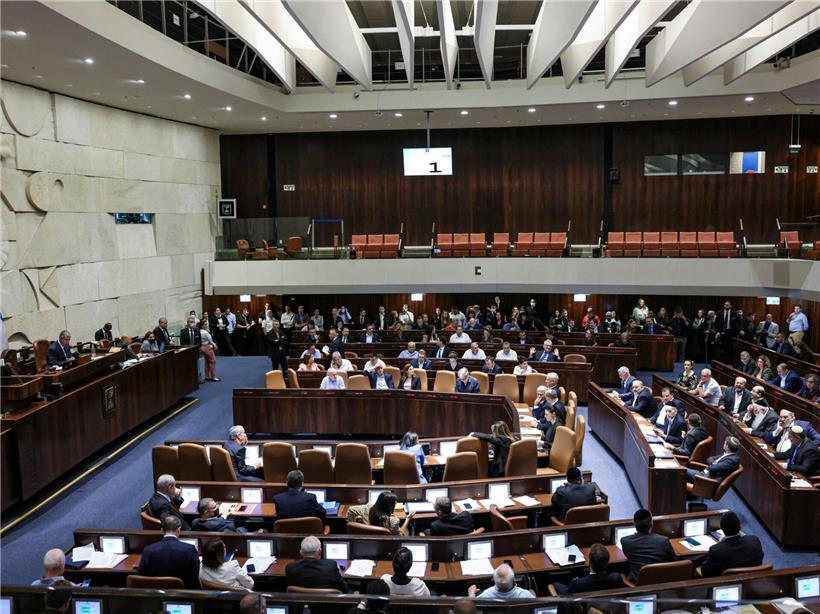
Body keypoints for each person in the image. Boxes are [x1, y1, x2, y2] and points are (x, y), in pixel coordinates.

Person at [136, 515, 200, 588]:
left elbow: (140, 575)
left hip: (156, 594)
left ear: (162, 530)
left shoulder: (148, 550)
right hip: (183, 595)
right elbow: (195, 577)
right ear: (179, 530)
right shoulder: (190, 549)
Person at [698, 511, 764, 577]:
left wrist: (721, 544)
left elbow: (705, 572)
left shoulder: (717, 550)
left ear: (722, 529)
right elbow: (759, 560)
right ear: (740, 527)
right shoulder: (754, 540)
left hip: (725, 584)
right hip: (751, 583)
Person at [620, 509, 676, 582]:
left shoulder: (625, 541)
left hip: (638, 582)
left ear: (634, 523)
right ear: (651, 523)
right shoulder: (663, 540)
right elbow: (674, 560)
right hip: (661, 580)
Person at [285, 535, 349, 592]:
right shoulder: (331, 566)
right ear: (320, 552)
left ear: (301, 552)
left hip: (299, 603)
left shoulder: (290, 567)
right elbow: (345, 590)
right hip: (328, 603)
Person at [554, 543, 624, 594]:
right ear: (607, 564)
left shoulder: (578, 584)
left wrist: (573, 583)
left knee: (554, 582)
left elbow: (568, 596)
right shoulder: (616, 578)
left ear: (589, 562)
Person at [347, 491, 414, 535]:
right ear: (389, 505)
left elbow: (350, 510)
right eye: (395, 502)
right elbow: (400, 536)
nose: (396, 503)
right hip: (384, 546)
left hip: (366, 540)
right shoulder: (393, 521)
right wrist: (407, 519)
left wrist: (354, 526)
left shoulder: (366, 509)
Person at [468, 564, 535, 599]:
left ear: (493, 580)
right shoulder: (525, 595)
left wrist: (471, 594)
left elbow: (472, 608)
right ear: (514, 580)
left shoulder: (485, 596)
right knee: (532, 591)